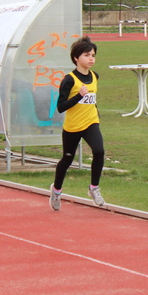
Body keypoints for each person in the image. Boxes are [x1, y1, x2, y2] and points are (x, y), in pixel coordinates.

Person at [50, 36, 106, 211]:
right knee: (67, 159)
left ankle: (94, 188)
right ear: (76, 57)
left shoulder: (95, 76)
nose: (91, 59)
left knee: (99, 151)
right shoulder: (70, 79)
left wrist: (95, 112)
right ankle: (56, 190)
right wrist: (78, 96)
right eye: (87, 55)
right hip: (73, 126)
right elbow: (60, 107)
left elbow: (92, 100)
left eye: (93, 55)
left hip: (91, 122)